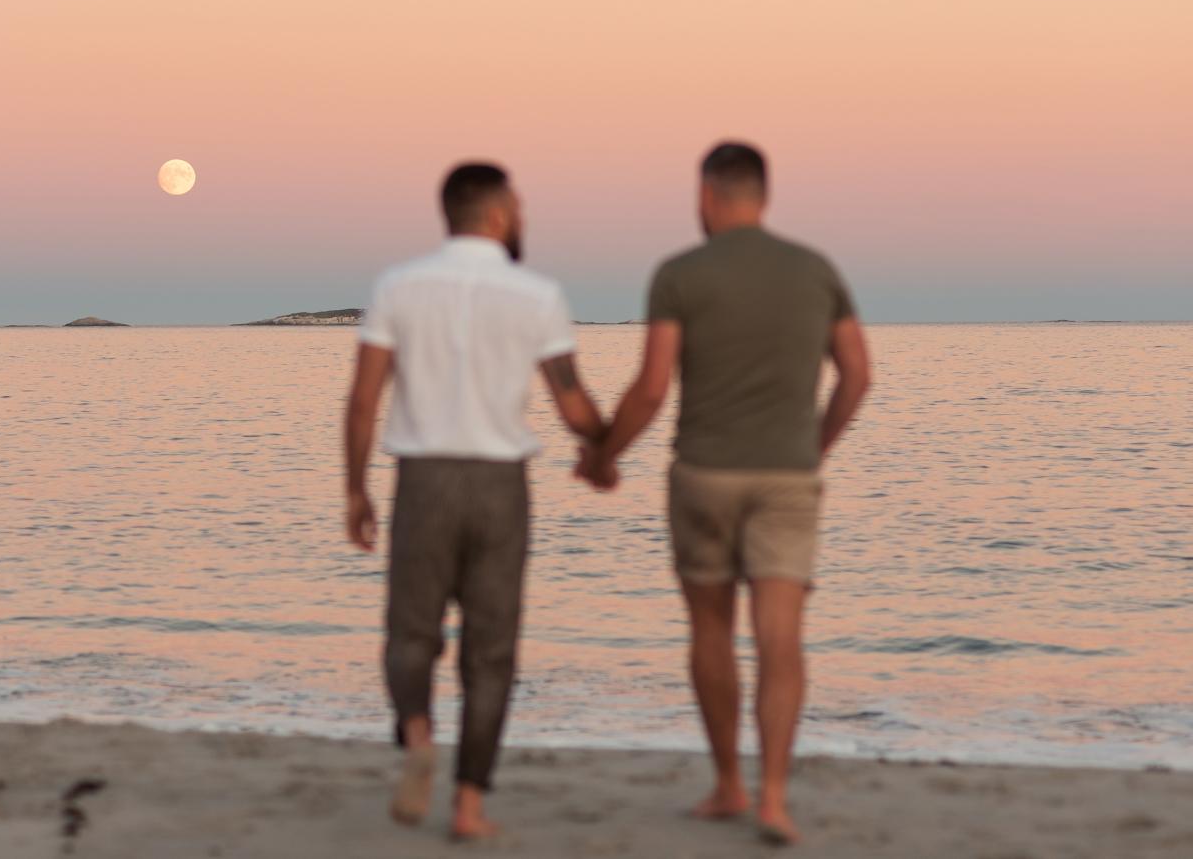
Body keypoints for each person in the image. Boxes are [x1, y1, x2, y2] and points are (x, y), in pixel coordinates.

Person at [580, 141, 871, 846]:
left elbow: (652, 388)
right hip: (786, 477)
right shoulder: (816, 269)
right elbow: (858, 375)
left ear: (707, 196)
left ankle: (728, 784)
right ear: (762, 196)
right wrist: (814, 446)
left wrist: (604, 455)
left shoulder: (680, 273)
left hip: (704, 474)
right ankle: (773, 797)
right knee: (780, 637)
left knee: (711, 630)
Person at [344, 162, 608, 840]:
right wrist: (602, 450)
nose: (523, 216)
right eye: (518, 206)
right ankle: (467, 805)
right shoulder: (537, 293)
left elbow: (365, 399)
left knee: (410, 633)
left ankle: (417, 732)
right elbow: (572, 401)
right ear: (495, 214)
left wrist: (356, 486)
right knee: (491, 650)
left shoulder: (399, 286)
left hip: (424, 480)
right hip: (499, 487)